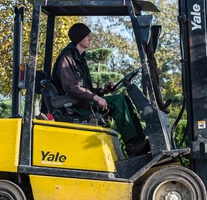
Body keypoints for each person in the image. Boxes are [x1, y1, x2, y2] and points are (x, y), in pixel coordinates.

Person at [50, 22, 150, 157]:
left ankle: (138, 140)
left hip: (82, 102)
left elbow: (86, 89)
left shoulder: (79, 59)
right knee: (118, 100)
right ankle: (132, 144)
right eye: (87, 36)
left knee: (124, 98)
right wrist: (95, 98)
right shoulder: (66, 59)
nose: (90, 39)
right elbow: (71, 87)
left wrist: (102, 91)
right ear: (79, 38)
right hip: (74, 106)